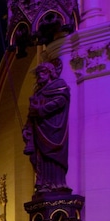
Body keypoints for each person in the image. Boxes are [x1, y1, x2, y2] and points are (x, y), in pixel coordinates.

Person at [23, 61, 70, 194]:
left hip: (54, 129)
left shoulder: (59, 85)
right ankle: (43, 183)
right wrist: (27, 128)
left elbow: (60, 101)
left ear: (50, 72)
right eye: (38, 73)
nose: (40, 75)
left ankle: (57, 183)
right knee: (39, 158)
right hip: (39, 129)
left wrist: (42, 109)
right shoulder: (37, 93)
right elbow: (31, 113)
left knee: (53, 157)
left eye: (42, 72)